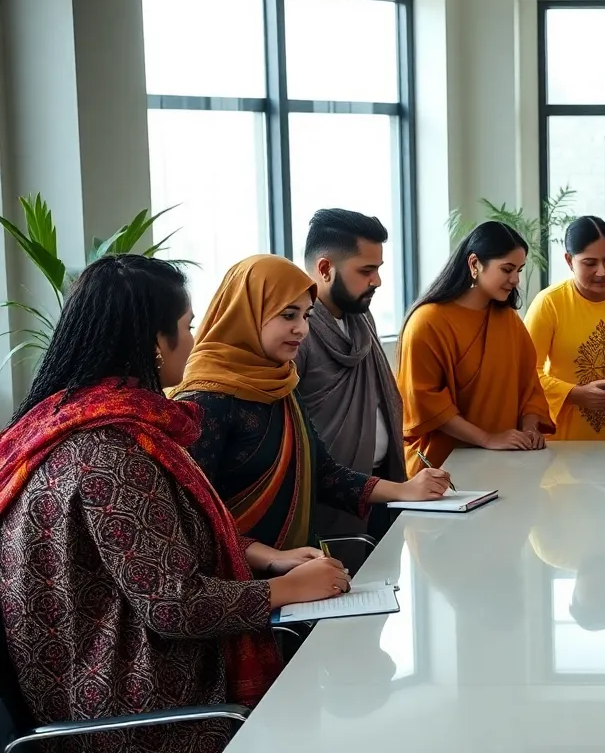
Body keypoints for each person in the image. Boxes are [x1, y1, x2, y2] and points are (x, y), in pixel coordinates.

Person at [0, 256, 349, 753]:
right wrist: (287, 589)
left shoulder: (74, 419)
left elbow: (163, 543)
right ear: (154, 342)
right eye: (187, 326)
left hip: (111, 682)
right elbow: (173, 605)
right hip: (140, 716)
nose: (193, 339)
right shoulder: (110, 454)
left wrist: (268, 558)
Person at [174, 255, 452, 551]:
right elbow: (188, 519)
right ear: (246, 313)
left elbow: (324, 473)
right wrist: (271, 559)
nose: (302, 329)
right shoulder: (204, 400)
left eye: (306, 316)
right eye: (288, 315)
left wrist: (405, 490)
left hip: (298, 565)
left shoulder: (281, 384)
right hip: (238, 574)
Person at [397, 221, 554, 472]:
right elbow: (426, 402)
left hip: (507, 461)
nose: (515, 280)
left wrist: (529, 429)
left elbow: (529, 387)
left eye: (519, 270)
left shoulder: (508, 320)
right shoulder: (427, 322)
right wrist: (487, 438)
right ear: (474, 264)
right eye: (507, 269)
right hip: (442, 467)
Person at [295, 208, 405, 539]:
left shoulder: (362, 318)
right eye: (366, 270)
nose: (377, 281)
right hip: (330, 503)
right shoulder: (297, 333)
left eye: (378, 269)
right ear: (325, 269)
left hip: (384, 488)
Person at [524, 216, 605, 440]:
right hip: (566, 438)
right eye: (590, 263)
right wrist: (575, 394)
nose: (602, 271)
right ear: (569, 261)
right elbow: (527, 373)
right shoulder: (549, 303)